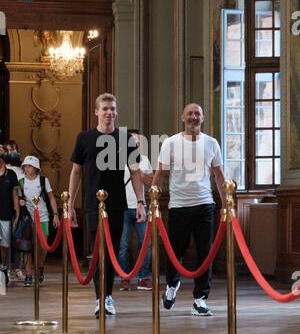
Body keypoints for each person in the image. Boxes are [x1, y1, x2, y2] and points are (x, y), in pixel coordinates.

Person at [68, 93, 146, 318]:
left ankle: (108, 296)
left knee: (111, 251)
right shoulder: (84, 138)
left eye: (112, 108)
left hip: (117, 205)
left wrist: (141, 202)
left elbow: (135, 172)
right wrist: (71, 205)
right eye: (105, 109)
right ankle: (99, 297)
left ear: (116, 112)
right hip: (92, 205)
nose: (109, 112)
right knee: (97, 251)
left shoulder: (126, 139)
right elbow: (76, 172)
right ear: (96, 112)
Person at [152, 103, 225, 316]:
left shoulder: (211, 143)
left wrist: (226, 205)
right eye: (190, 114)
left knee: (206, 253)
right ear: (182, 117)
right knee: (175, 251)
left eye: (197, 114)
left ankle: (200, 299)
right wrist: (153, 202)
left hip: (205, 205)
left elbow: (219, 175)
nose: (194, 117)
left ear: (202, 118)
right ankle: (172, 285)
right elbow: (159, 174)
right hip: (179, 206)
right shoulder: (171, 143)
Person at [118, 129, 153, 291]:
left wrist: (138, 171)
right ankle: (124, 278)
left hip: (141, 207)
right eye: (133, 142)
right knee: (123, 245)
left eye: (138, 143)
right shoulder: (116, 159)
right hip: (122, 208)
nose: (136, 145)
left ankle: (144, 277)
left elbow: (152, 182)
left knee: (145, 243)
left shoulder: (144, 160)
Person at [19, 156, 60, 287]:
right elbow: (16, 197)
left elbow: (51, 198)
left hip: (42, 217)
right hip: (27, 218)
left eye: (29, 166)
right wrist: (19, 202)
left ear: (36, 168)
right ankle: (29, 275)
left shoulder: (43, 180)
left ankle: (40, 267)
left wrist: (55, 215)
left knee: (42, 247)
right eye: (25, 166)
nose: (27, 169)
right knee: (26, 247)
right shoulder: (21, 181)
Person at [4, 140, 24, 281]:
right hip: (5, 206)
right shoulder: (3, 168)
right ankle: (6, 269)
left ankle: (18, 268)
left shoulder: (23, 167)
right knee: (4, 241)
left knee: (18, 239)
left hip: (20, 206)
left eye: (13, 150)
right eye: (8, 150)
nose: (11, 153)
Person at [0, 153, 20, 286]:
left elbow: (14, 195)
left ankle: (4, 267)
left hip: (5, 213)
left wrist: (17, 212)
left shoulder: (11, 174)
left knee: (5, 244)